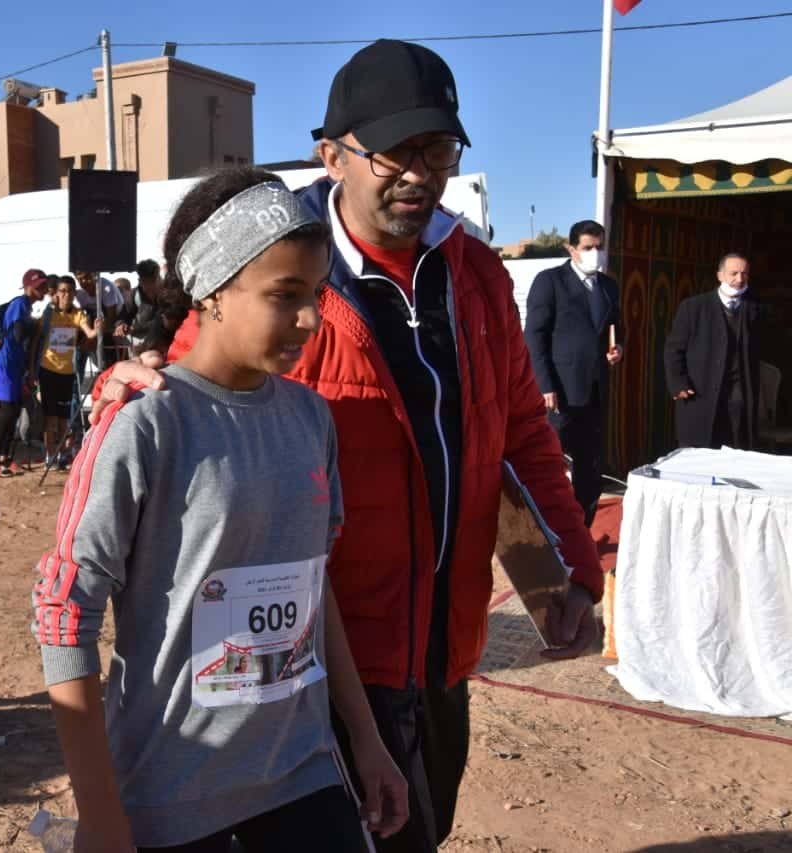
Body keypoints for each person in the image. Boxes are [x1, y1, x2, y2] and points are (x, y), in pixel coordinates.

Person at [89, 40, 604, 853]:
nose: (419, 173)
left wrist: (572, 566)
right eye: (396, 150)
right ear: (331, 156)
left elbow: (523, 435)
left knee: (425, 827)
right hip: (315, 664)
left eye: (438, 149)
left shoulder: (474, 272)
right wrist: (122, 387)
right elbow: (184, 386)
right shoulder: (274, 266)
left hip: (443, 647)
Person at [34, 172, 408, 853]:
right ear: (212, 290)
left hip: (301, 772)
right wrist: (98, 809)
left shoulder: (310, 418)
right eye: (285, 295)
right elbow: (65, 612)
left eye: (317, 295)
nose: (310, 319)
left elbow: (313, 585)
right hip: (170, 791)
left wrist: (366, 739)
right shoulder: (146, 422)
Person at [524, 220, 623, 526]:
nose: (595, 253)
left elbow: (616, 328)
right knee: (551, 463)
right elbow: (535, 336)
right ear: (571, 249)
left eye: (599, 247)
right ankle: (546, 531)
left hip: (595, 391)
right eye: (588, 247)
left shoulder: (608, 286)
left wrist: (618, 347)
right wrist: (544, 384)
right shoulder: (550, 281)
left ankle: (582, 530)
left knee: (590, 468)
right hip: (560, 393)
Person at [664, 252, 762, 450]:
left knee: (736, 450)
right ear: (720, 275)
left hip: (737, 397)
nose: (739, 279)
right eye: (734, 273)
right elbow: (674, 349)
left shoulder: (755, 309)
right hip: (700, 392)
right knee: (698, 453)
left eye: (744, 274)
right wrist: (678, 383)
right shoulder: (693, 308)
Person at [0, 268, 48, 476]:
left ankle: (5, 458)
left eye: (45, 285)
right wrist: (34, 326)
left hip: (13, 365)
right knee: (7, 411)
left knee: (13, 410)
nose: (44, 289)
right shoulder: (19, 304)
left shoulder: (26, 306)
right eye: (40, 286)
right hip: (3, 363)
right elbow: (18, 334)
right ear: (28, 286)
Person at [36, 274, 100, 470]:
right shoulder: (49, 314)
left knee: (63, 419)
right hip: (47, 370)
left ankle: (63, 454)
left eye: (70, 291)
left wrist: (97, 329)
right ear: (56, 293)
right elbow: (37, 341)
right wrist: (31, 370)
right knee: (49, 418)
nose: (66, 295)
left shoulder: (78, 314)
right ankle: (50, 455)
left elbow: (89, 333)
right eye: (63, 291)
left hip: (67, 372)